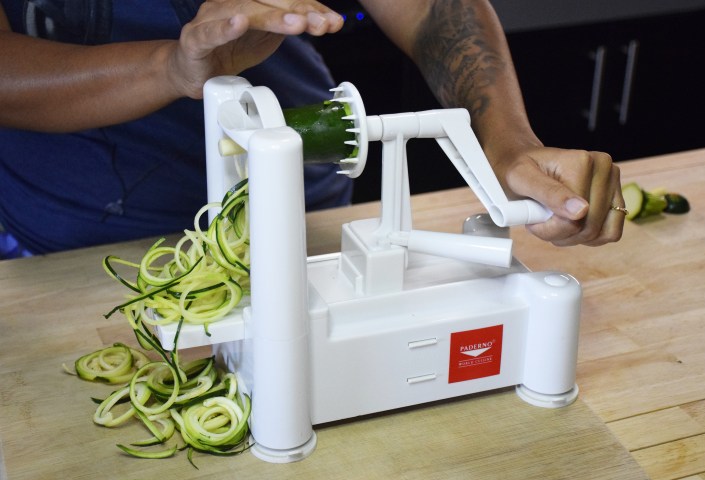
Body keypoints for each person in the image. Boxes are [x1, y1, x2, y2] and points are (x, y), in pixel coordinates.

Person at [0, 0, 625, 259]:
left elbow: (433, 8)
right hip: (78, 244)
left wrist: (509, 145)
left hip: (310, 214)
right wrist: (169, 66)